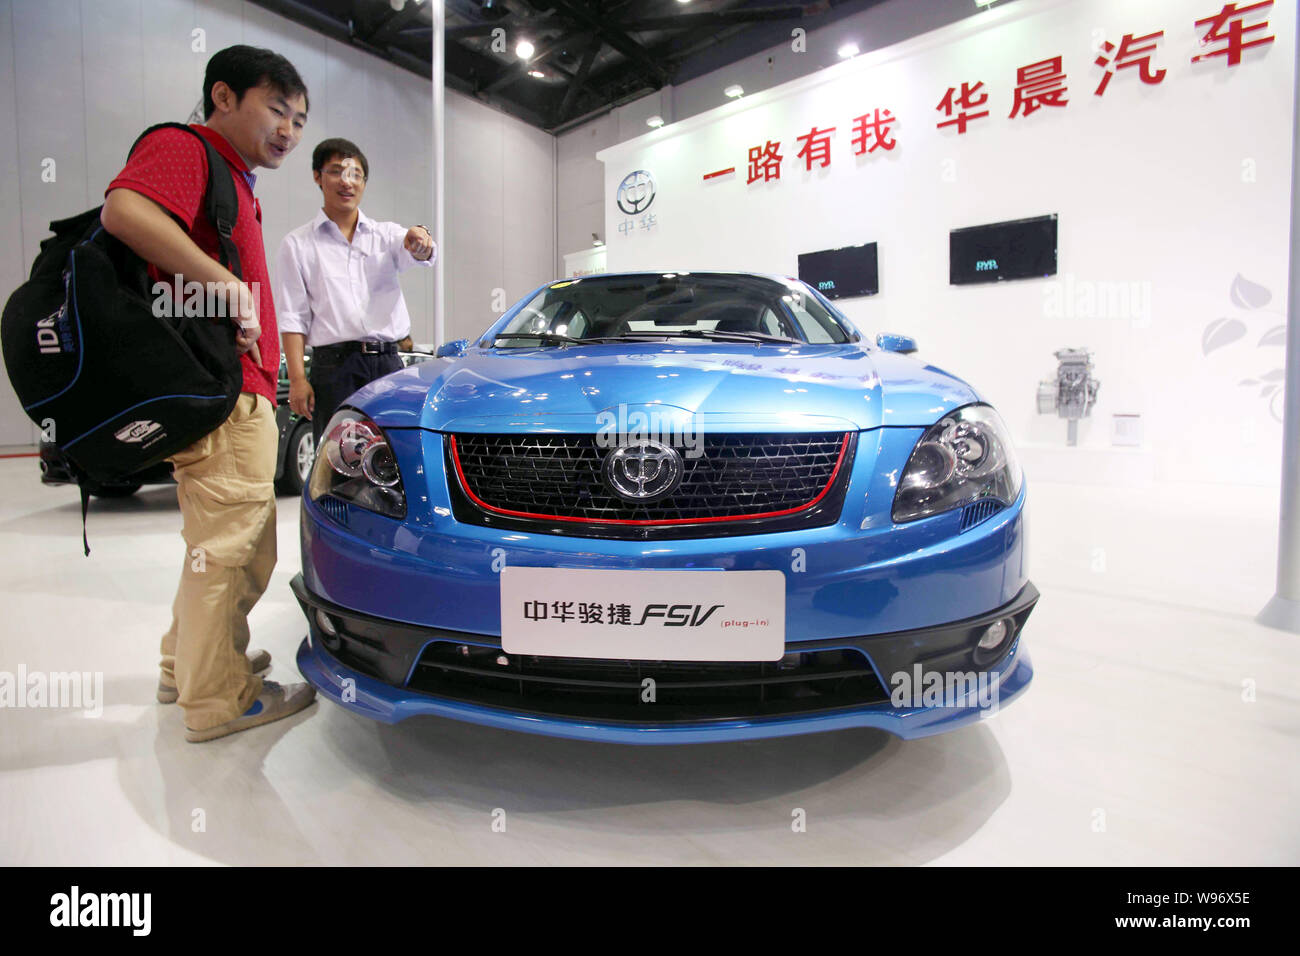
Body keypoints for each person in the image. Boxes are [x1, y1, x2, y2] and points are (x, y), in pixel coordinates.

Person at [100, 45, 317, 742]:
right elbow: (124, 211)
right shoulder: (186, 146)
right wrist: (223, 284)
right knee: (234, 548)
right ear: (223, 97)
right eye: (276, 109)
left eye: (299, 119)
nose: (288, 129)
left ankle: (185, 665)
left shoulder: (235, 177)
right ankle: (217, 699)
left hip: (238, 388)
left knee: (221, 546)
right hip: (222, 392)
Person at [274, 138, 435, 446]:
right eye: (336, 171)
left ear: (364, 182)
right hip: (334, 369)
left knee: (395, 453)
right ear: (317, 176)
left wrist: (421, 237)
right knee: (339, 459)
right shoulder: (297, 245)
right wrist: (297, 380)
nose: (347, 182)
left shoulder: (384, 235)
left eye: (356, 174)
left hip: (388, 364)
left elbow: (417, 248)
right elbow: (293, 317)